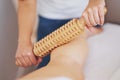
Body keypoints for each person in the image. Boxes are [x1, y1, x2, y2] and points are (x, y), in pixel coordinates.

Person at [15, 0, 105, 70]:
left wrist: (96, 1)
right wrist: (24, 41)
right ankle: (85, 33)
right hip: (50, 20)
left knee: (66, 62)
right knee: (48, 67)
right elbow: (26, 2)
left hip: (86, 14)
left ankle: (84, 33)